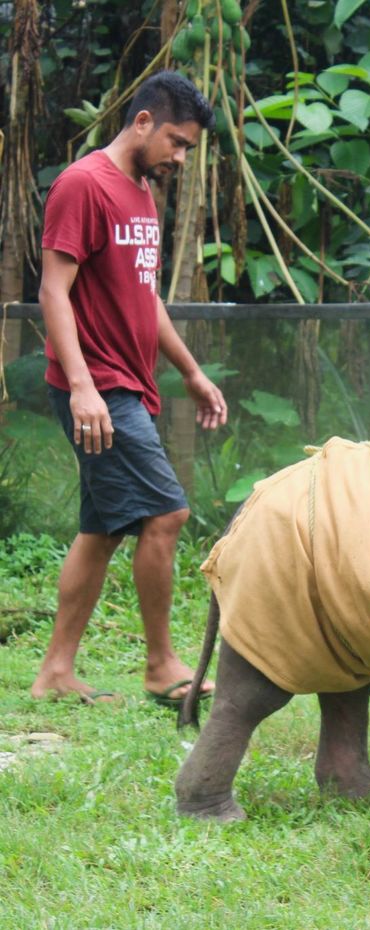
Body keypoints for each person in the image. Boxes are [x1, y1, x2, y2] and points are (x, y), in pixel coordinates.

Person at [28, 71, 227, 707]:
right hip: (100, 385)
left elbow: (145, 297)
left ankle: (56, 671)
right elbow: (53, 290)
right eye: (175, 141)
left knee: (103, 529)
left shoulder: (141, 191)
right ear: (142, 121)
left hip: (129, 385)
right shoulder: (84, 185)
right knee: (166, 514)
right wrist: (84, 388)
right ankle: (162, 667)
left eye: (188, 148)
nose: (179, 156)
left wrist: (190, 372)